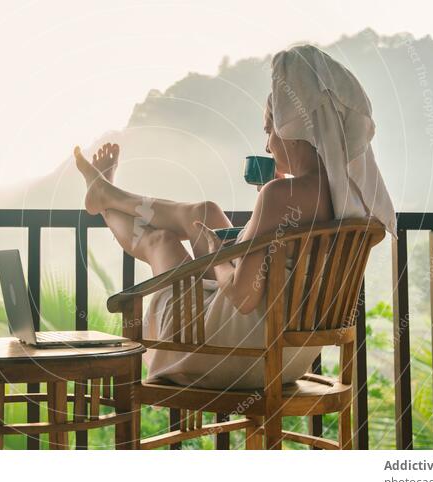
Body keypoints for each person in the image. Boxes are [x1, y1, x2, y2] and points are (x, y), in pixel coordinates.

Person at [73, 45, 396, 390]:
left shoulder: (279, 195)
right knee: (206, 212)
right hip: (293, 353)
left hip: (237, 351)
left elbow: (243, 297)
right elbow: (280, 269)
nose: (268, 144)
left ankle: (106, 201)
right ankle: (108, 194)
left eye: (269, 130)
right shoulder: (345, 198)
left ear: (291, 131)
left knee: (160, 241)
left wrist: (216, 252)